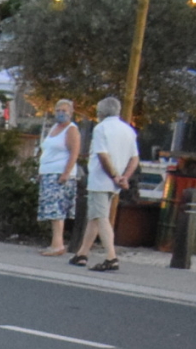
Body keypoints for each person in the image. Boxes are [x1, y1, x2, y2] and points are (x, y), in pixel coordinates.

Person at [71, 95, 139, 271]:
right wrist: (125, 177)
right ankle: (82, 253)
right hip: (115, 183)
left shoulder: (101, 128)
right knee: (94, 216)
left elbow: (102, 155)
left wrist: (115, 175)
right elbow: (134, 158)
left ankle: (111, 256)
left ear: (101, 112)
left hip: (101, 179)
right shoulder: (128, 130)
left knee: (101, 217)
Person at [35, 99, 83, 255]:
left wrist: (66, 173)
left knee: (56, 210)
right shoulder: (54, 128)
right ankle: (55, 243)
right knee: (50, 209)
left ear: (71, 112)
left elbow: (74, 153)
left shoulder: (71, 130)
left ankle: (58, 244)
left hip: (60, 174)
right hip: (48, 172)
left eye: (64, 110)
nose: (61, 113)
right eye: (58, 110)